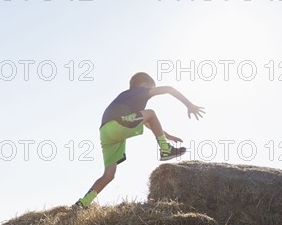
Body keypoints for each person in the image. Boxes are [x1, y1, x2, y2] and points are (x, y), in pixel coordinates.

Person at [74, 72, 205, 209]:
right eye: (151, 87)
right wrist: (189, 105)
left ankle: (83, 203)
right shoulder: (139, 91)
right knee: (151, 112)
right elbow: (169, 89)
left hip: (105, 132)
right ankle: (165, 150)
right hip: (117, 124)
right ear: (144, 84)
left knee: (108, 175)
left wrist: (166, 135)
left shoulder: (127, 99)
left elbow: (145, 121)